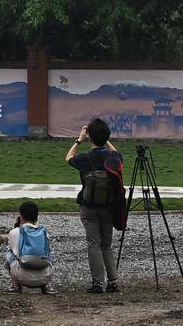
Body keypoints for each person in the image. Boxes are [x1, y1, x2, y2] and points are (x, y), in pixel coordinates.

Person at [66, 118, 124, 294]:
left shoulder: (85, 158)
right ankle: (113, 281)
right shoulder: (113, 158)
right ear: (106, 137)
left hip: (89, 206)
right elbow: (118, 155)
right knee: (106, 244)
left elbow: (68, 158)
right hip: (108, 206)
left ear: (90, 138)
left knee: (94, 243)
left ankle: (98, 282)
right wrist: (104, 140)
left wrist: (79, 140)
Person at [5, 199, 54, 293]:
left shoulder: (14, 232)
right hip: (44, 277)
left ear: (21, 216)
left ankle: (15, 285)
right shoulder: (44, 233)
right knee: (49, 253)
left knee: (10, 252)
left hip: (21, 277)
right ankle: (47, 286)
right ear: (37, 217)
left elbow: (16, 253)